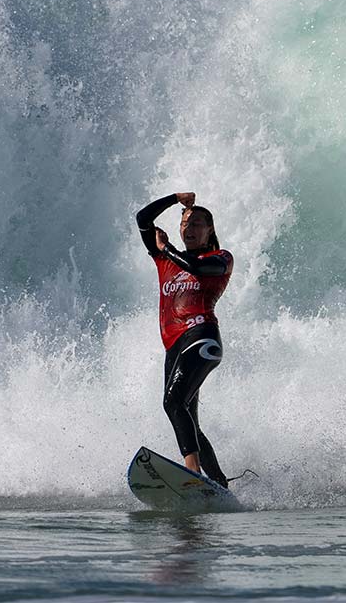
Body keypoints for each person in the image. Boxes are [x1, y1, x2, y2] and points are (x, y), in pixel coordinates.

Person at [136, 191, 233, 487]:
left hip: (202, 338)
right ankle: (218, 484)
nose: (190, 228)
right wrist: (175, 199)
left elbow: (199, 269)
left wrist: (166, 249)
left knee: (173, 402)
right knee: (188, 417)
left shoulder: (220, 258)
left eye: (198, 224)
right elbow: (143, 219)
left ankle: (193, 475)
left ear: (209, 231)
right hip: (174, 346)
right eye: (186, 223)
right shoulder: (166, 262)